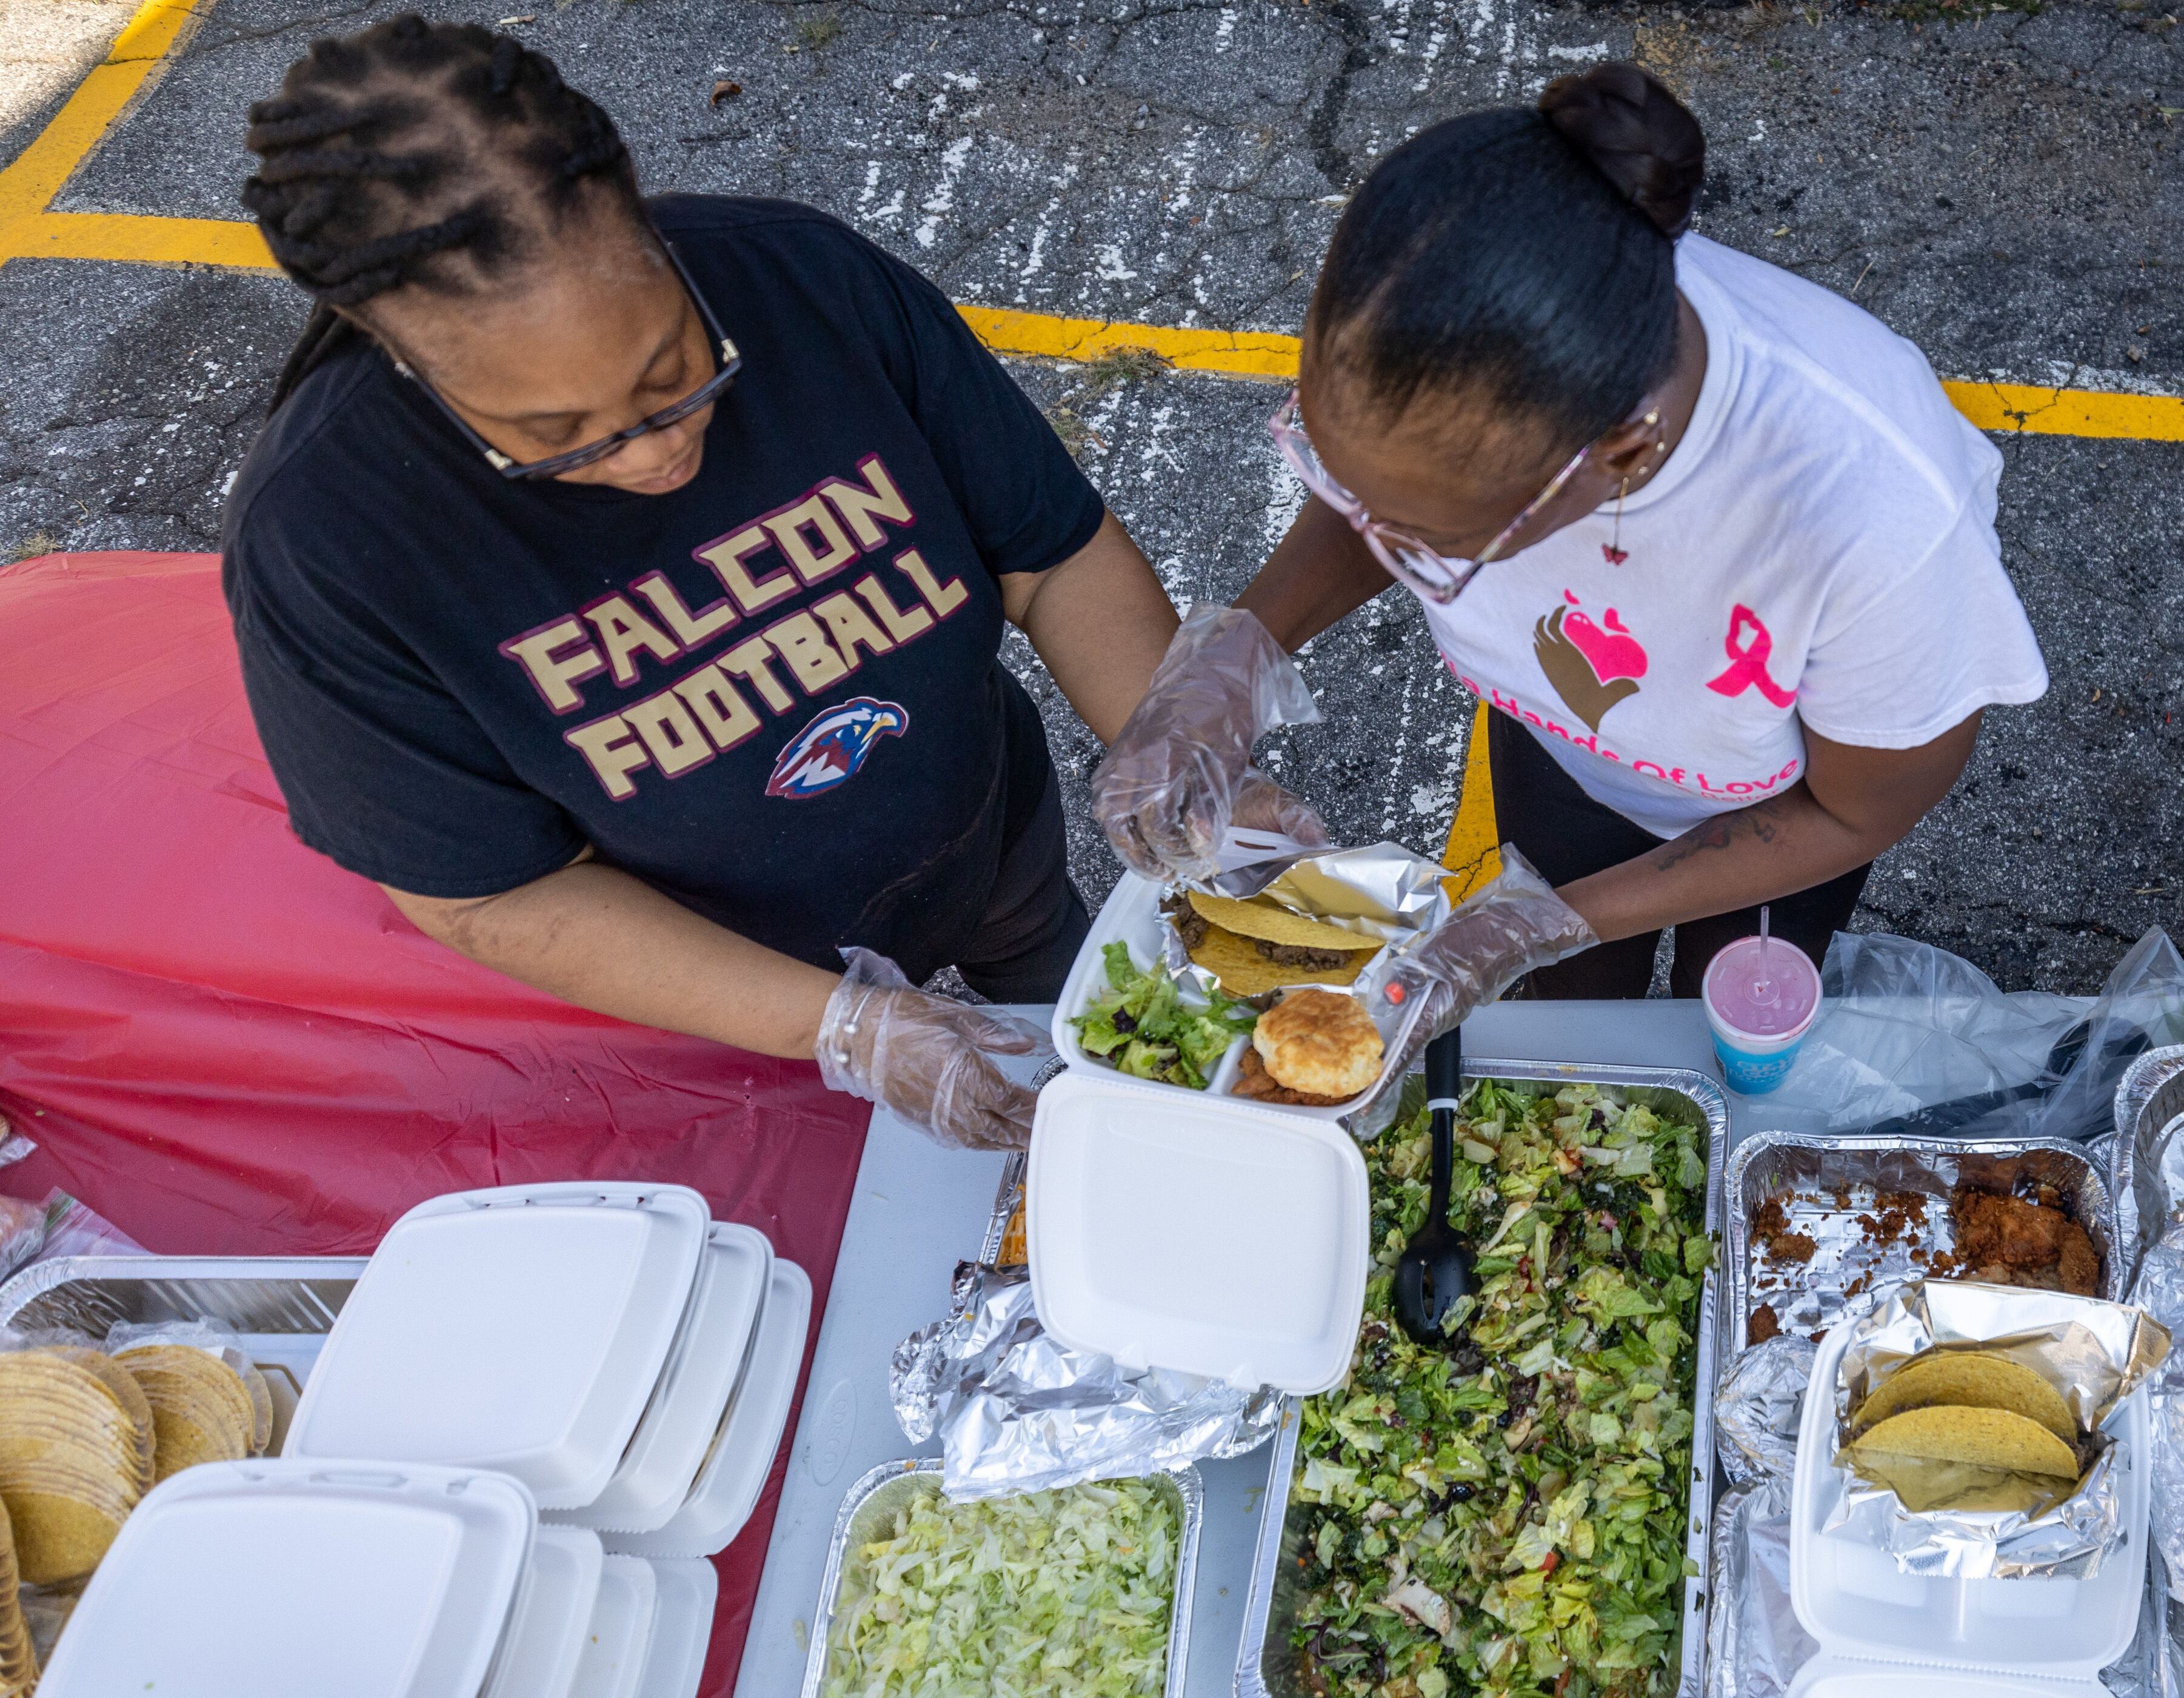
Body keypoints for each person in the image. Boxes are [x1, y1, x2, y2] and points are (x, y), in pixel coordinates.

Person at [222, 16, 1207, 1151]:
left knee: (1073, 1000)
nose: (651, 453)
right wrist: (842, 1028)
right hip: (726, 982)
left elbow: (1053, 553)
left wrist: (1177, 739)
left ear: (643, 214)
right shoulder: (327, 542)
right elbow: (484, 891)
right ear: (391, 346)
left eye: (674, 375)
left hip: (989, 833)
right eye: (557, 439)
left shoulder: (806, 282)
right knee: (873, 1181)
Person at [1089, 63, 2049, 1105]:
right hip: (1556, 739)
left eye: (1433, 545)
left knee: (1724, 1030)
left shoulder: (1876, 515)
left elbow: (1854, 812)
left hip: (1771, 814)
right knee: (1568, 1029)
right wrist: (1235, 653)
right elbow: (1385, 488)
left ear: (1625, 457)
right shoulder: (1473, 335)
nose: (1390, 549)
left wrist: (1553, 917)